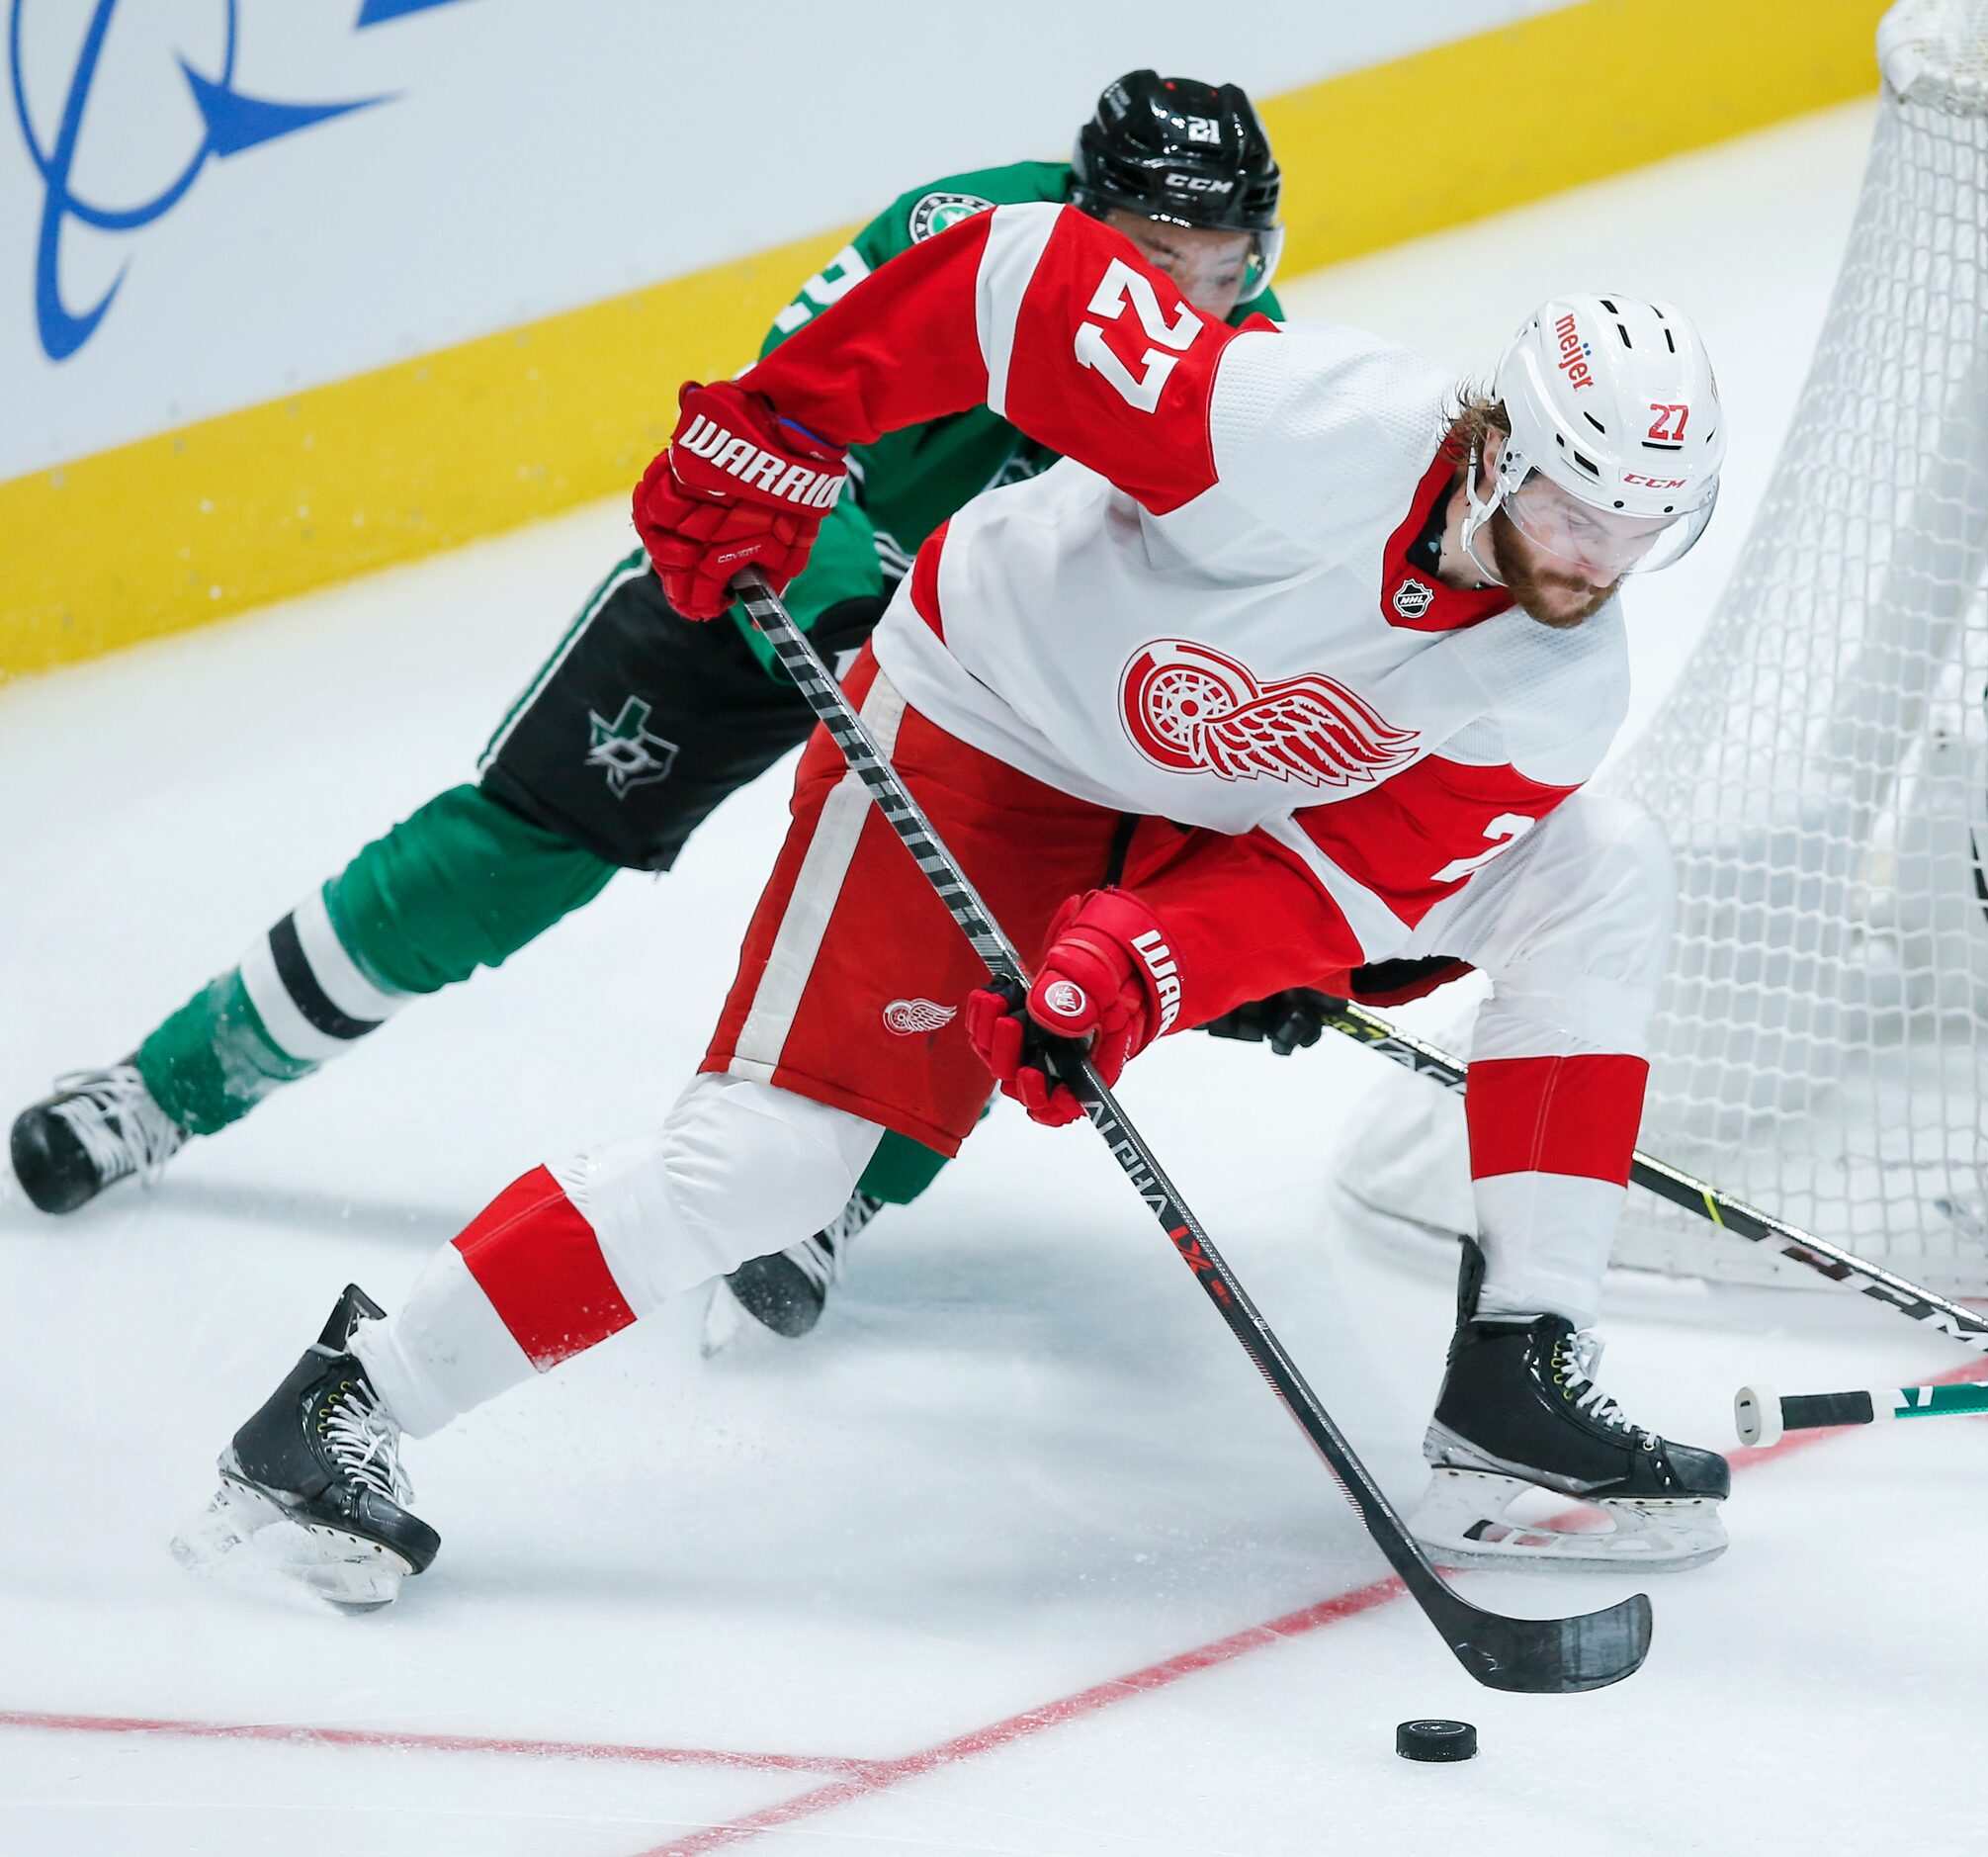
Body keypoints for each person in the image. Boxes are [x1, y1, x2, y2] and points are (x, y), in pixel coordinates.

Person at [172, 188, 1739, 1610]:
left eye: (1638, 531)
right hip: (984, 726)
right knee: (772, 1164)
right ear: (1496, 449)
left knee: (1598, 866)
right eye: (1574, 509)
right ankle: (346, 1401)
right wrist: (783, 421)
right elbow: (1015, 278)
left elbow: (1339, 874)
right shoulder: (1306, 428)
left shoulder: (1557, 684)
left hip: (1210, 804)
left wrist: (1151, 964)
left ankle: (1515, 1378)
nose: (1596, 561)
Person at [12, 70, 1287, 1343]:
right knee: (514, 847)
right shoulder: (964, 234)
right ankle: (166, 1086)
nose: (1187, 298)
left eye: (1220, 266)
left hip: (994, 683)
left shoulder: (1261, 375)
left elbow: (1235, 642)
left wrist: (1240, 905)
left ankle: (835, 1195)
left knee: (1002, 937)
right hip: (794, 587)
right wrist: (852, 604)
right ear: (1084, 216)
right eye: (1157, 255)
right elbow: (771, 416)